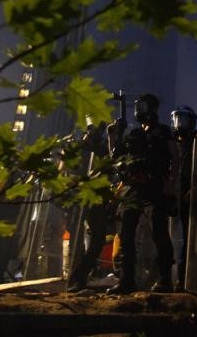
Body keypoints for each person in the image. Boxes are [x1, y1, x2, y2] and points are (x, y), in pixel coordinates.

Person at [106, 93, 179, 295]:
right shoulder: (135, 134)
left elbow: (175, 156)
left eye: (143, 106)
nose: (139, 110)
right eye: (137, 106)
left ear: (153, 108)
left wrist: (171, 181)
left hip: (155, 187)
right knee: (126, 233)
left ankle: (165, 279)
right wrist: (113, 136)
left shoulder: (163, 131)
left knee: (159, 231)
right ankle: (126, 280)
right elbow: (117, 159)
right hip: (133, 189)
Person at [66, 119, 111, 292]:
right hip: (80, 198)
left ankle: (80, 276)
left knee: (97, 240)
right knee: (77, 240)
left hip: (96, 198)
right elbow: (72, 171)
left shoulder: (100, 148)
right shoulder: (80, 149)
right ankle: (75, 280)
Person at [169, 105, 197, 292]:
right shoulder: (169, 142)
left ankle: (183, 279)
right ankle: (166, 277)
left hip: (189, 196)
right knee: (168, 237)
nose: (180, 123)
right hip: (170, 196)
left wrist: (194, 188)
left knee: (189, 238)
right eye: (177, 118)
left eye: (183, 119)